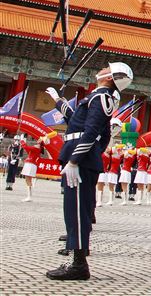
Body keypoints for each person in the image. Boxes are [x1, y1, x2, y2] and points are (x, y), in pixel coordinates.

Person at [45, 62, 133, 281]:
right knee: (74, 209)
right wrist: (58, 101)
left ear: (110, 77)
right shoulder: (97, 97)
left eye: (106, 68)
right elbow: (75, 120)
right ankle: (77, 259)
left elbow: (92, 131)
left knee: (77, 210)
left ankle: (79, 265)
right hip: (82, 156)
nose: (101, 68)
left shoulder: (102, 97)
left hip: (80, 159)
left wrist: (76, 160)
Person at [20, 135, 49, 202]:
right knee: (28, 180)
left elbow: (26, 147)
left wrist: (22, 141)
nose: (38, 139)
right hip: (31, 163)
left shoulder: (37, 147)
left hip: (30, 163)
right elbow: (28, 150)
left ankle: (29, 196)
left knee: (28, 180)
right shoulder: (38, 147)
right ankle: (29, 196)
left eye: (40, 139)